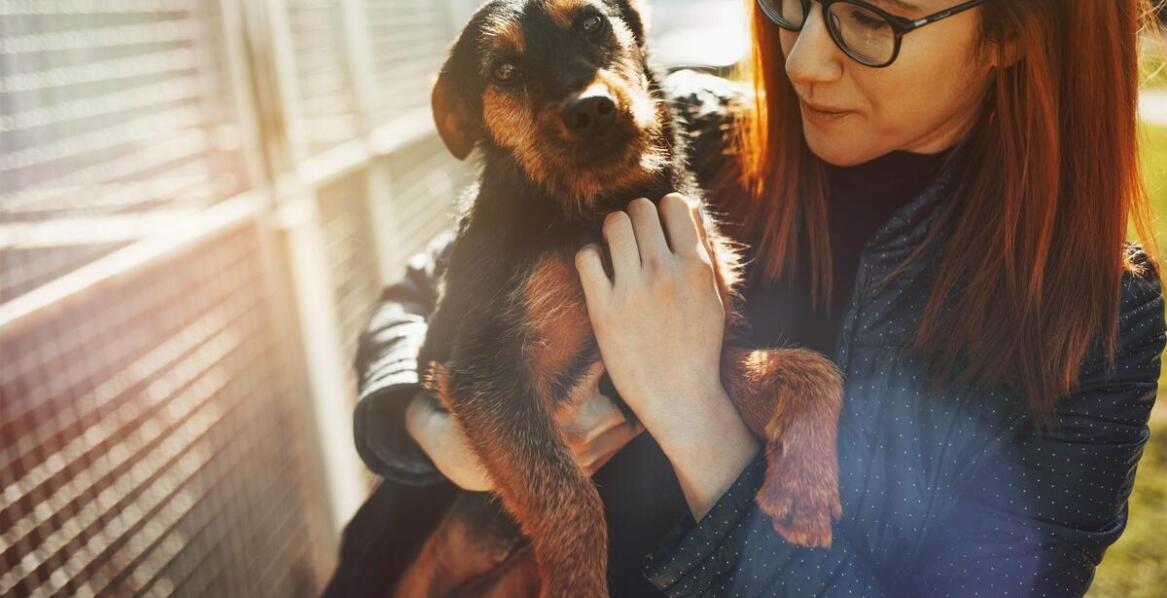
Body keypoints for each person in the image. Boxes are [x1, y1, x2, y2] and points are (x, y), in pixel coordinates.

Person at [323, 0, 1167, 596]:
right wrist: (433, 436)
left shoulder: (1102, 318)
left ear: (1013, 31)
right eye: (792, 2)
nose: (801, 61)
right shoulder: (681, 130)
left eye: (871, 17)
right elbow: (422, 290)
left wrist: (692, 413)